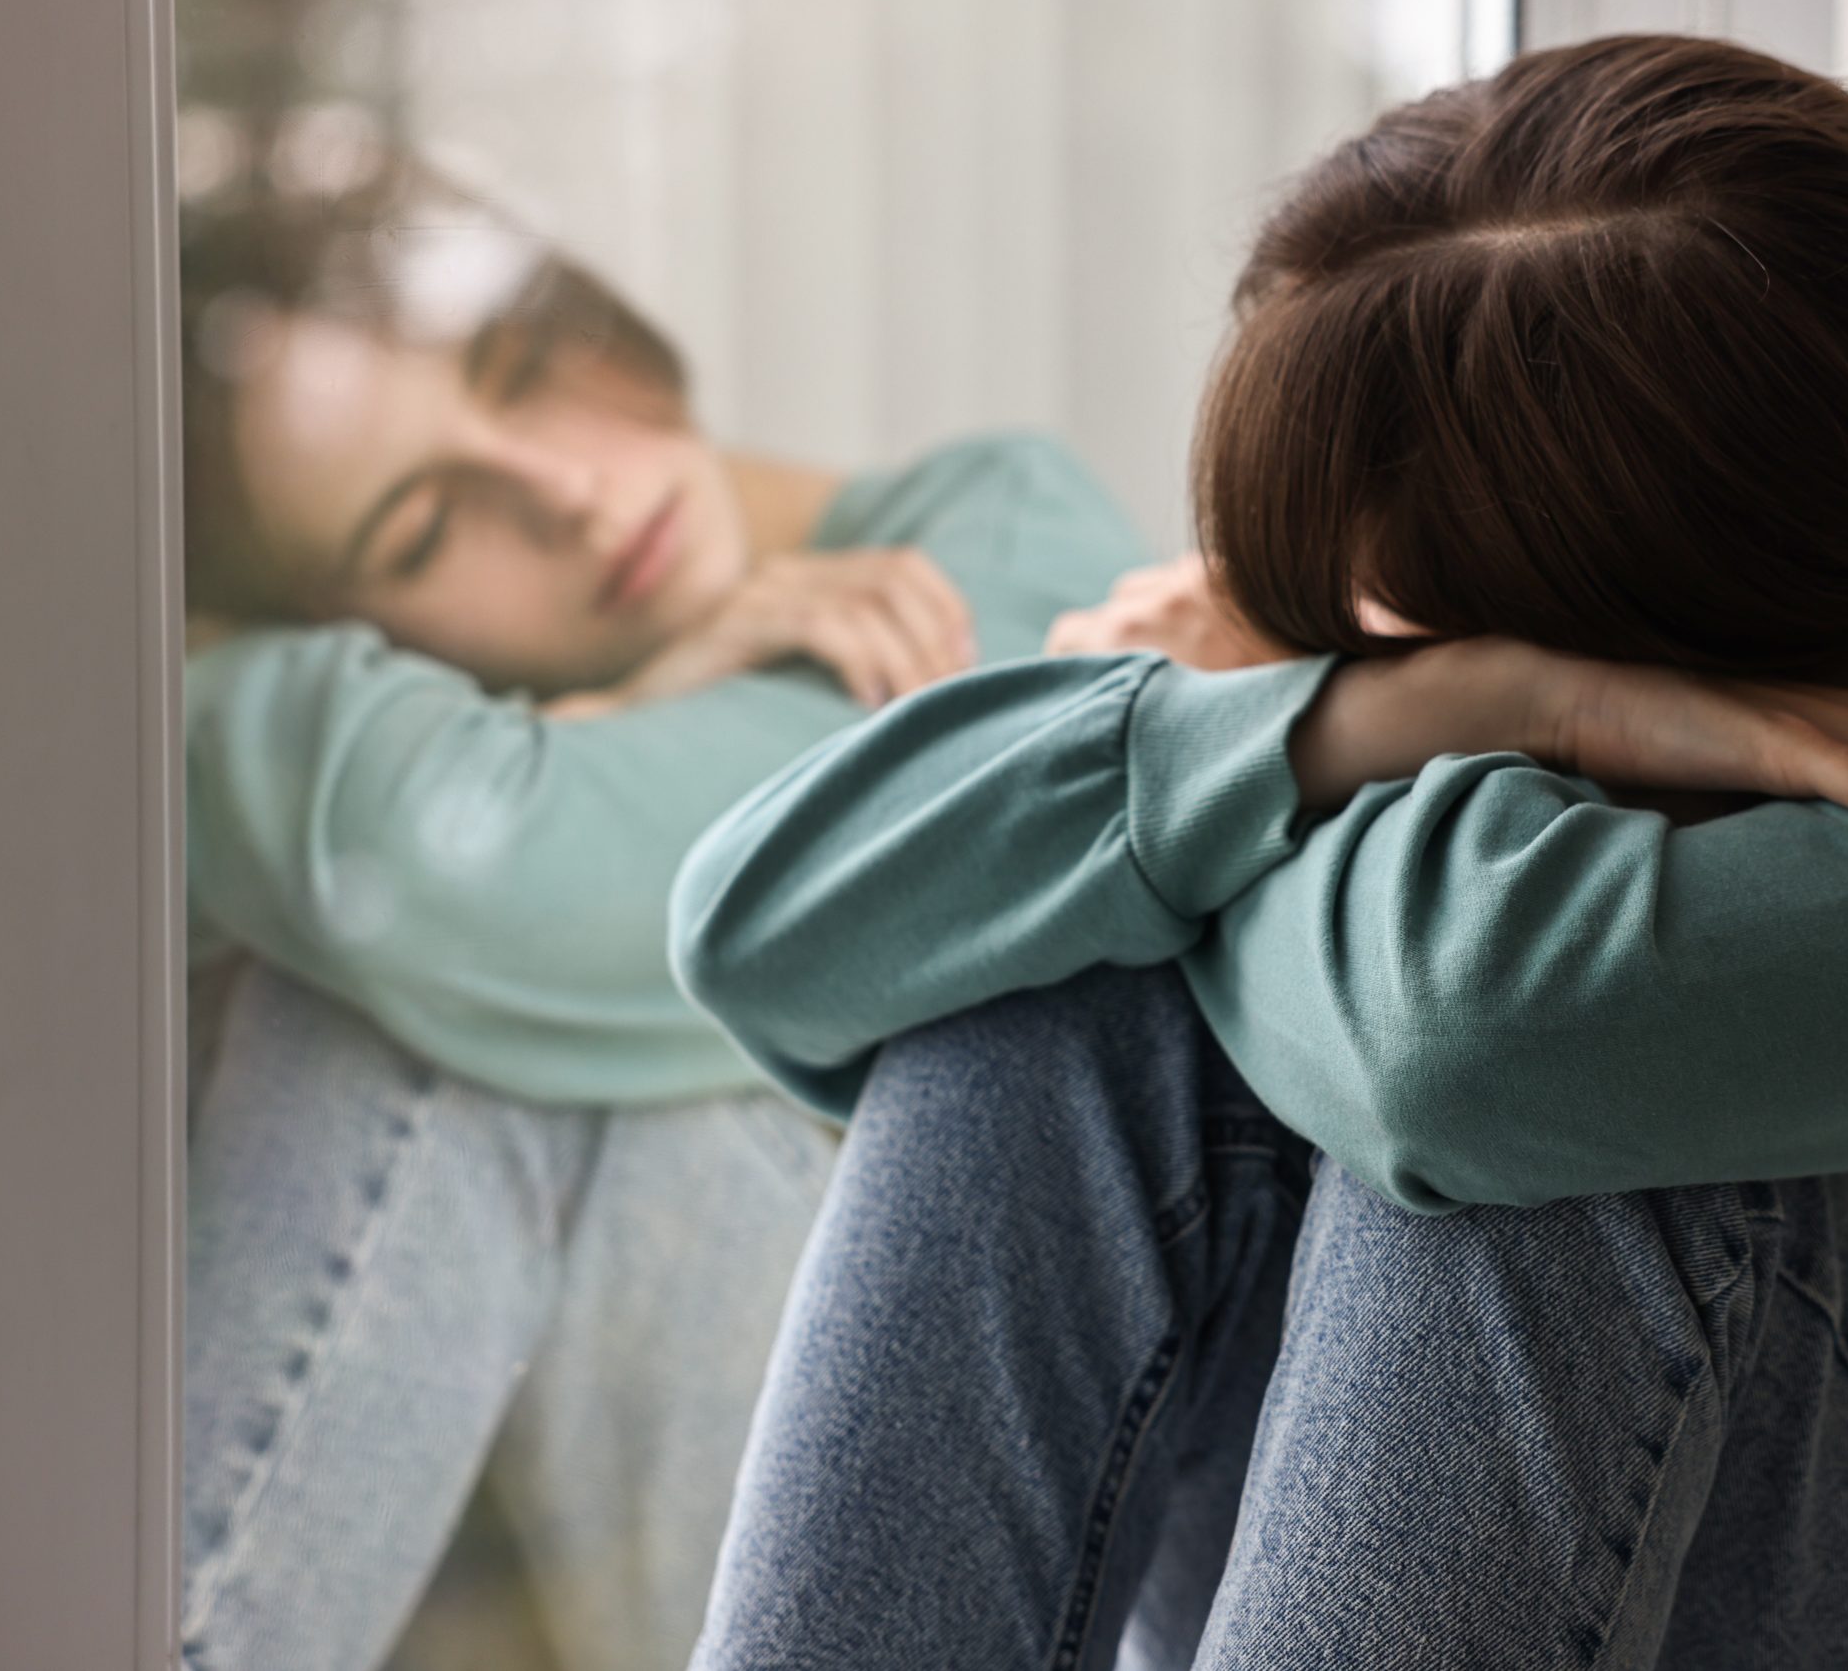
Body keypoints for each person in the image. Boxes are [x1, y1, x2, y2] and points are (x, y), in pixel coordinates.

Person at [667, 35, 1848, 1669]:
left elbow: (1465, 1051)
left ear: (1675, 628)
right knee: (1061, 997)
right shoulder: (1628, 660)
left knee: (1552, 1137)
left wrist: (1271, 767)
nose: (1373, 670)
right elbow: (761, 928)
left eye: (1387, 639)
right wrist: (1410, 718)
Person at [173, 154, 1145, 1671]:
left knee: (432, 1014)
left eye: (524, 372)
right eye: (427, 536)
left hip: (1117, 1606)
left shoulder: (1018, 569)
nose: (565, 496)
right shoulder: (478, 748)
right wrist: (628, 699)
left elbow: (467, 871)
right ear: (350, 634)